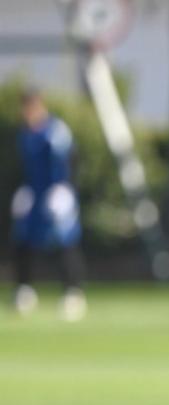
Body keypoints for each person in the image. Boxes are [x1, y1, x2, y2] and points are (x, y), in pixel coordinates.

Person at [11, 87, 86, 321]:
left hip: (57, 192)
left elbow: (71, 158)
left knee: (64, 239)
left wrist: (65, 188)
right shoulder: (25, 133)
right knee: (24, 238)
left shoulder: (56, 130)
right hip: (35, 192)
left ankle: (73, 292)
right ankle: (25, 289)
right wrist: (24, 189)